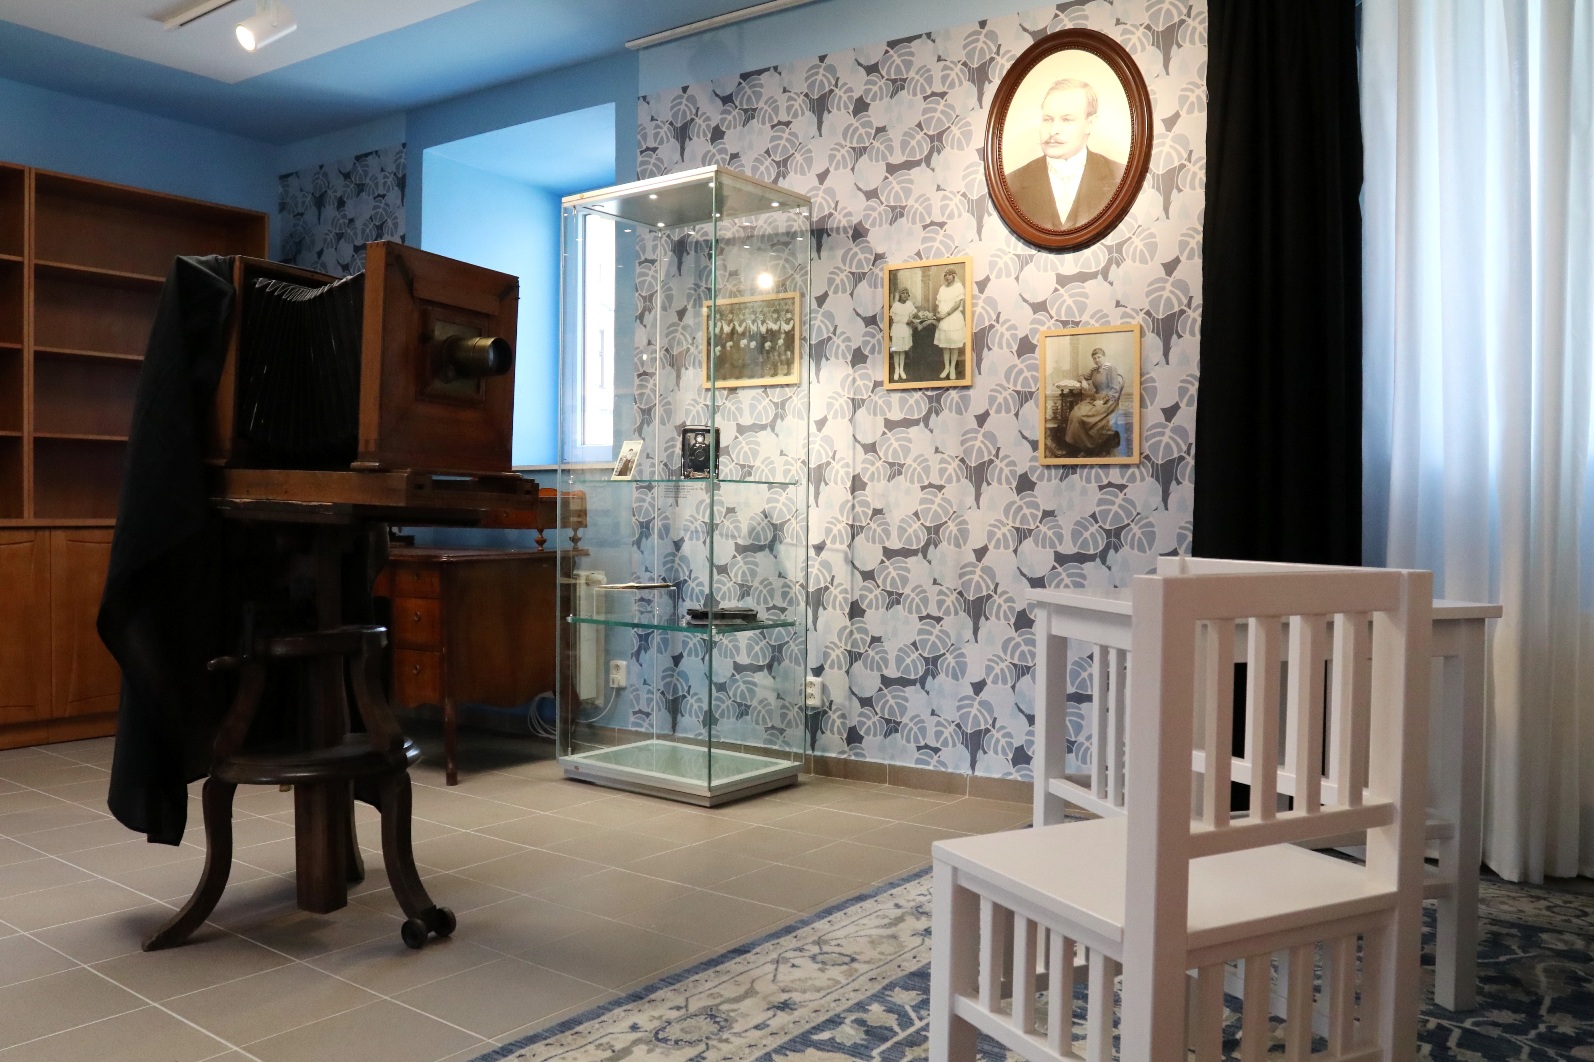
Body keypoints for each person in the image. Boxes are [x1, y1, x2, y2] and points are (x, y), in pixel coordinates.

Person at [1004, 78, 1126, 230]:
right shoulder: (1011, 184)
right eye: (1047, 119)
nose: (1053, 130)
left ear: (1090, 124)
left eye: (1067, 120)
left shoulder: (1120, 176)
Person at [1064, 347, 1124, 452]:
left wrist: (1102, 401)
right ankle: (1077, 445)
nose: (1097, 360)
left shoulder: (1111, 368)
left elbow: (1115, 390)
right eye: (1094, 358)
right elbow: (1081, 376)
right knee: (1075, 413)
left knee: (1081, 416)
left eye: (1099, 357)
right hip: (1095, 398)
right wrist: (1083, 381)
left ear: (1104, 357)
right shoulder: (1094, 370)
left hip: (1108, 402)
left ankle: (1087, 446)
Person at [933, 269, 966, 380]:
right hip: (943, 320)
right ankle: (946, 367)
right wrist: (937, 313)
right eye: (945, 275)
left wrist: (946, 314)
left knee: (954, 345)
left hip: (953, 318)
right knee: (945, 345)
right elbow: (938, 303)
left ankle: (952, 368)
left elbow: (957, 304)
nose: (947, 277)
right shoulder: (942, 288)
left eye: (950, 275)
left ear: (954, 276)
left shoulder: (958, 287)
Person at [888, 287, 918, 381]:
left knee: (903, 350)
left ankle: (901, 370)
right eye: (903, 293)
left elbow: (914, 313)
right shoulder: (896, 305)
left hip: (905, 329)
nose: (905, 295)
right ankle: (896, 370)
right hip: (897, 329)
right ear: (899, 295)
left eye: (906, 293)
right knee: (896, 351)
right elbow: (892, 319)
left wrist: (910, 318)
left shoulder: (909, 304)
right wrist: (889, 332)